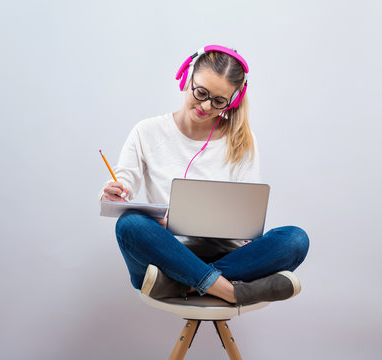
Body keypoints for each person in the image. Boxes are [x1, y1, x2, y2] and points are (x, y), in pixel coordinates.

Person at [98, 45, 309, 306]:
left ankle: (185, 284)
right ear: (187, 78)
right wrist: (114, 193)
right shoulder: (146, 131)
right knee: (130, 225)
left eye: (219, 101)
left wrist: (216, 229)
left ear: (233, 101)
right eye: (201, 92)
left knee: (295, 239)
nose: (206, 106)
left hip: (222, 255)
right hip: (165, 254)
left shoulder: (240, 140)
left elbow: (246, 221)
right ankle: (232, 291)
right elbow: (123, 187)